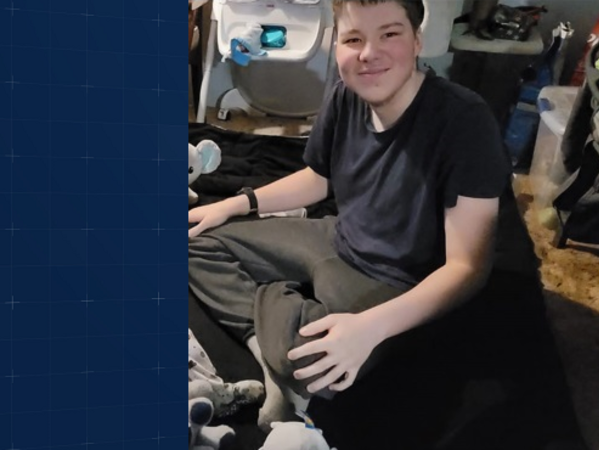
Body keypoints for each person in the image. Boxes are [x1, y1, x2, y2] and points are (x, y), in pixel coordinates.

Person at [188, 0, 511, 433]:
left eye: (389, 34)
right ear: (337, 45)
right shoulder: (345, 94)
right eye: (354, 39)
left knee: (320, 368)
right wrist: (234, 204)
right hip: (336, 238)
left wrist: (369, 328)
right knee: (193, 241)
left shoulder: (464, 120)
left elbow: (468, 268)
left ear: (417, 40)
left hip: (395, 281)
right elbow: (318, 179)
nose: (369, 53)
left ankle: (279, 335)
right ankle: (268, 342)